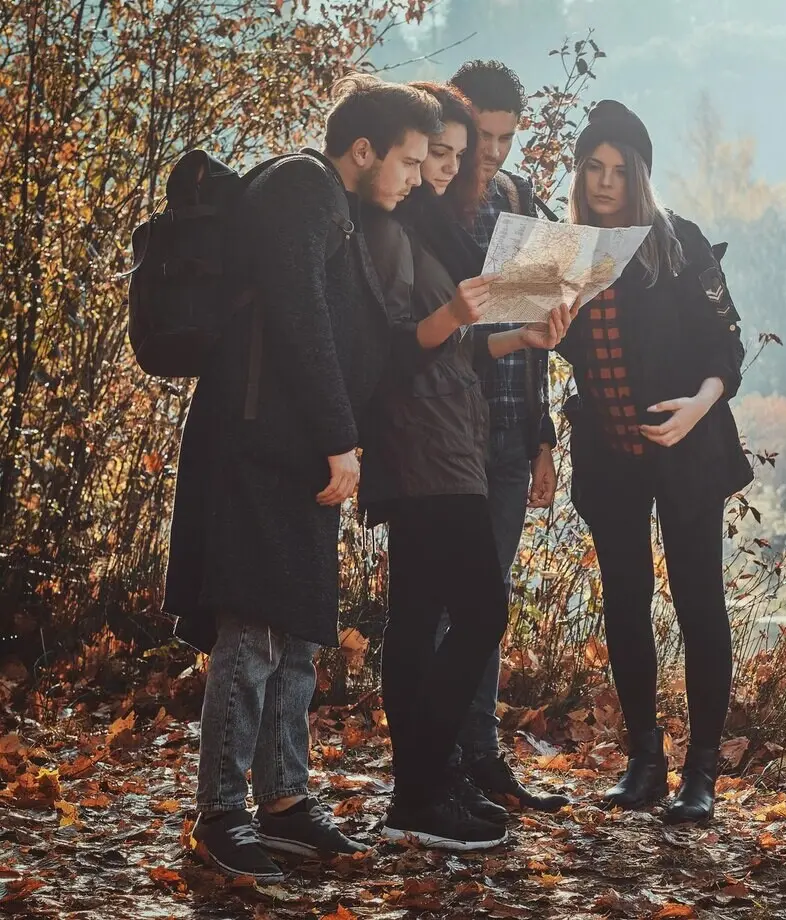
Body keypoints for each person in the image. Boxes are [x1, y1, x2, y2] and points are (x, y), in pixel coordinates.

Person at [163, 76, 443, 881]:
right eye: (411, 161)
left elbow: (352, 330)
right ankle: (221, 814)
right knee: (250, 633)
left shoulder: (337, 206)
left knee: (298, 632)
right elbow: (299, 315)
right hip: (259, 449)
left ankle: (284, 801)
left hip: (295, 456)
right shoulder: (302, 187)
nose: (417, 177)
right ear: (363, 150)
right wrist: (338, 438)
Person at [357, 82, 570, 851]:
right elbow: (397, 343)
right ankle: (420, 787)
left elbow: (461, 345)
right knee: (479, 611)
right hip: (421, 444)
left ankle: (422, 790)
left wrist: (525, 339)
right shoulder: (392, 226)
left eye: (451, 155)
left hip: (449, 435)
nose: (444, 169)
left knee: (417, 616)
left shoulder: (431, 224)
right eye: (434, 154)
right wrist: (457, 315)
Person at [556, 101, 753, 825]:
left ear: (640, 175)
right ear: (579, 174)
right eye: (592, 168)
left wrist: (701, 406)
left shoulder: (679, 244)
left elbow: (726, 349)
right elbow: (534, 344)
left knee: (699, 601)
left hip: (689, 448)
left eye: (619, 170)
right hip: (610, 453)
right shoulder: (564, 251)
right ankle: (645, 761)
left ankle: (700, 773)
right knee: (625, 601)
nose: (605, 182)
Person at [446, 59, 569, 813]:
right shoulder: (429, 199)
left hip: (509, 432)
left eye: (505, 138)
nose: (493, 153)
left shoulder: (518, 202)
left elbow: (536, 340)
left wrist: (543, 438)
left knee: (488, 602)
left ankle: (483, 759)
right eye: (484, 136)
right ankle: (435, 762)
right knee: (439, 610)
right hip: (446, 434)